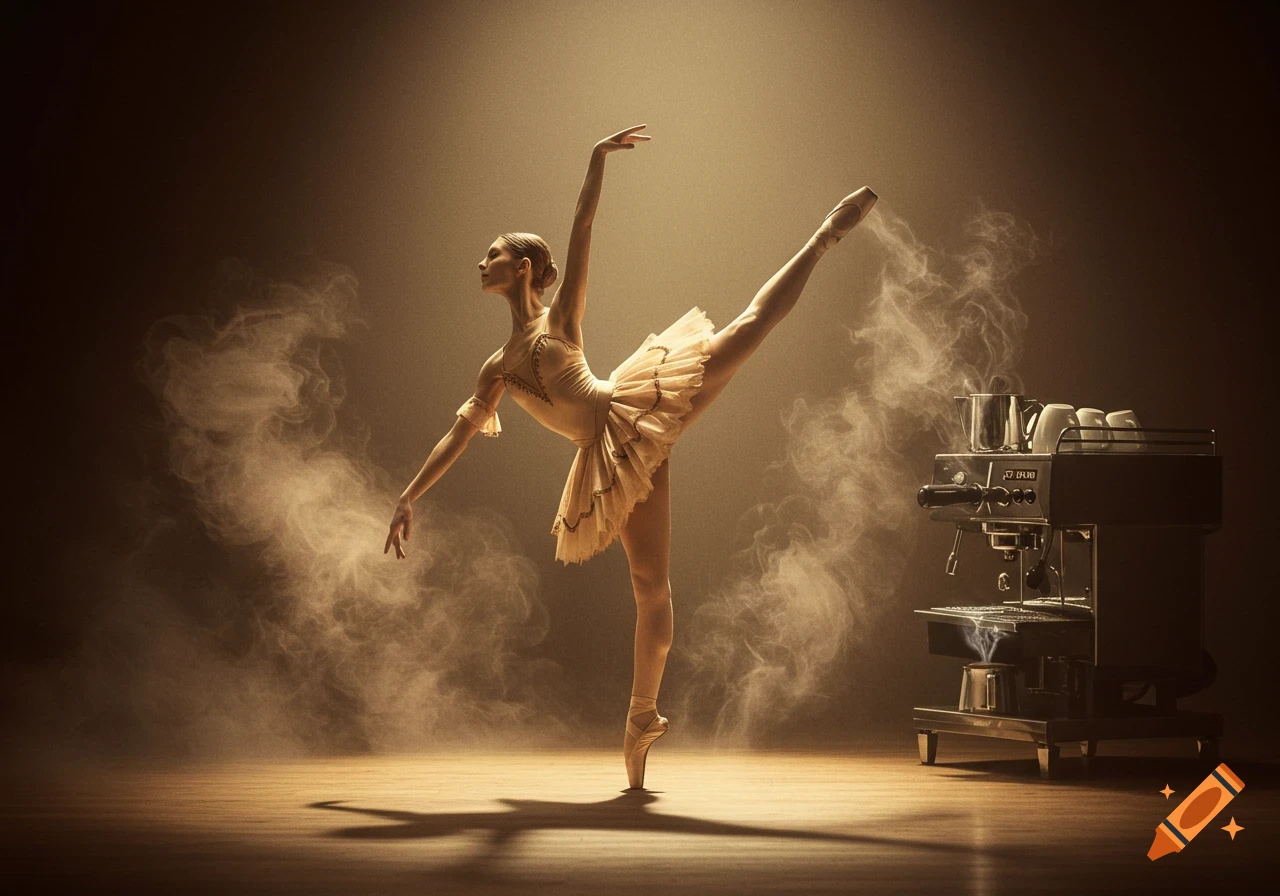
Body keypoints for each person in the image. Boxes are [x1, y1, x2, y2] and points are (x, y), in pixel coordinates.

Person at [385, 124, 876, 789]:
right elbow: (460, 434)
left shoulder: (558, 321)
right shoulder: (495, 367)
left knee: (747, 330)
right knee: (650, 586)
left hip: (633, 406)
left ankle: (824, 235)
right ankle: (642, 720)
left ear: (523, 268)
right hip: (606, 458)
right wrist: (410, 494)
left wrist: (595, 159)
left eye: (492, 254)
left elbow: (582, 225)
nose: (481, 262)